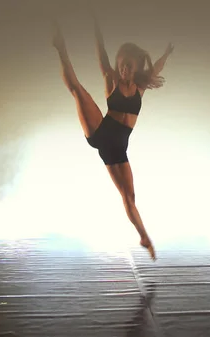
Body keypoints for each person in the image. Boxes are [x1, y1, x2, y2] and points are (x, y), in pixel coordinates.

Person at [51, 15, 174, 261]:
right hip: (101, 132)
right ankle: (61, 48)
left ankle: (144, 237)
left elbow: (156, 68)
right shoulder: (112, 80)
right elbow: (102, 56)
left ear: (136, 67)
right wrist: (97, 29)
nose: (123, 69)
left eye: (128, 65)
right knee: (77, 89)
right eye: (121, 65)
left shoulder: (140, 88)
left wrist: (167, 53)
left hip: (117, 150)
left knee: (129, 198)